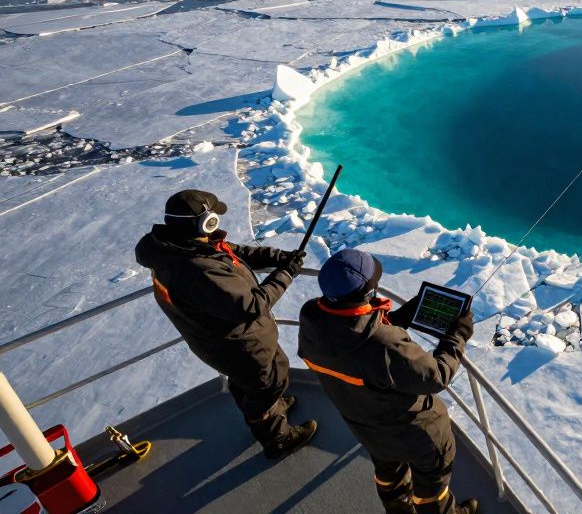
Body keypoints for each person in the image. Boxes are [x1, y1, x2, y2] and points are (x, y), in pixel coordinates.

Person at [134, 188, 318, 459]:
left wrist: (277, 257)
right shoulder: (195, 269)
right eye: (213, 217)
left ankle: (268, 407)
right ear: (202, 222)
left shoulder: (180, 245)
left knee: (263, 378)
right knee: (265, 383)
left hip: (228, 340)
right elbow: (253, 305)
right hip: (238, 345)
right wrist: (287, 273)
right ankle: (275, 435)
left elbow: (232, 253)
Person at [298, 249, 477, 514]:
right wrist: (458, 336)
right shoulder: (384, 344)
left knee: (387, 467)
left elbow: (349, 336)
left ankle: (397, 506)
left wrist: (399, 318)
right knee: (432, 485)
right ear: (366, 293)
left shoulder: (311, 316)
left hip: (365, 425)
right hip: (417, 433)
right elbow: (436, 376)